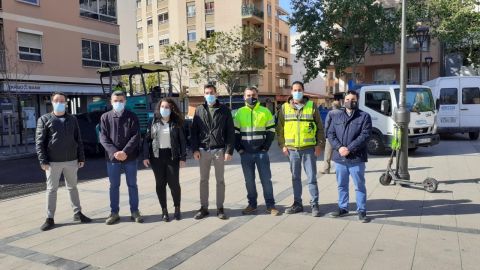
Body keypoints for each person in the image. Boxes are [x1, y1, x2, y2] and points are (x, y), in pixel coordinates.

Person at [35, 92, 91, 231]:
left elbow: (78, 139)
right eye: (57, 100)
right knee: (51, 190)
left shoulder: (72, 119)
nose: (60, 103)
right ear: (52, 102)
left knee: (73, 187)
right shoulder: (44, 119)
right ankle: (49, 218)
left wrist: (81, 157)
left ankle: (77, 213)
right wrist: (43, 161)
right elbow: (39, 142)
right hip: (52, 162)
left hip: (71, 160)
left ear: (66, 103)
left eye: (62, 101)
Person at [276, 81, 325, 217]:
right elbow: (279, 129)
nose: (297, 92)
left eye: (299, 89)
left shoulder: (311, 106)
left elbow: (320, 127)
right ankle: (297, 204)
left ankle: (314, 204)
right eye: (295, 90)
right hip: (292, 150)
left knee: (311, 178)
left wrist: (319, 145)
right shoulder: (284, 108)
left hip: (309, 149)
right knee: (295, 178)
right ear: (291, 92)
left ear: (303, 91)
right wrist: (283, 145)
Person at [190, 84, 235, 220]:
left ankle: (220, 208)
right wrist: (195, 149)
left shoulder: (224, 110)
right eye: (206, 92)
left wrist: (229, 150)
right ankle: (204, 208)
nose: (209, 95)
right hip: (203, 150)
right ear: (204, 95)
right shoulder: (199, 110)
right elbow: (193, 132)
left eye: (211, 92)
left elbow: (230, 132)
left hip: (219, 150)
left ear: (216, 94)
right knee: (203, 180)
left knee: (220, 180)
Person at [234, 87, 280, 216]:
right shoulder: (239, 112)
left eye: (253, 95)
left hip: (261, 153)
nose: (251, 97)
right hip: (246, 154)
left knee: (266, 180)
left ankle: (270, 205)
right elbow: (235, 133)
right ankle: (252, 204)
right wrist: (240, 149)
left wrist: (265, 147)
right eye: (248, 95)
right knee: (249, 181)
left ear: (257, 96)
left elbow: (271, 131)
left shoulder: (265, 111)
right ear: (244, 97)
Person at [327, 91, 372, 223]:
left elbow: (365, 135)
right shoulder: (337, 116)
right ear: (343, 100)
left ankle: (362, 210)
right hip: (340, 157)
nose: (350, 101)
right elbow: (330, 134)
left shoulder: (364, 116)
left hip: (356, 158)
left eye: (353, 99)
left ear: (357, 100)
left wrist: (349, 148)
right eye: (347, 99)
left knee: (359, 185)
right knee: (342, 185)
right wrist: (340, 147)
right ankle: (343, 207)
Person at [100, 91, 143, 225]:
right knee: (114, 186)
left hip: (130, 157)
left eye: (121, 100)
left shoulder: (132, 116)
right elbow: (103, 138)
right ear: (111, 102)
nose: (118, 103)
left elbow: (136, 136)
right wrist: (115, 152)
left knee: (132, 185)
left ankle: (135, 211)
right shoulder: (105, 117)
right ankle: (114, 212)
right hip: (112, 159)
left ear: (125, 101)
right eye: (115, 100)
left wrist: (125, 152)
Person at [142, 98, 187, 221]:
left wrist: (183, 157)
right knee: (160, 184)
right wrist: (145, 156)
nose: (164, 109)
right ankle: (164, 210)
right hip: (157, 157)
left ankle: (177, 208)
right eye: (162, 106)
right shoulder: (152, 122)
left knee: (174, 184)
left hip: (172, 156)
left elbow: (182, 141)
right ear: (159, 107)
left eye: (167, 107)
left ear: (171, 109)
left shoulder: (176, 122)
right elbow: (146, 140)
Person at [320, 101, 341, 174]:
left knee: (327, 153)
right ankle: (338, 169)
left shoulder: (330, 113)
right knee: (338, 152)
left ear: (333, 106)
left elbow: (327, 124)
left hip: (331, 136)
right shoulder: (343, 113)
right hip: (340, 136)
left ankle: (326, 169)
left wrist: (325, 135)